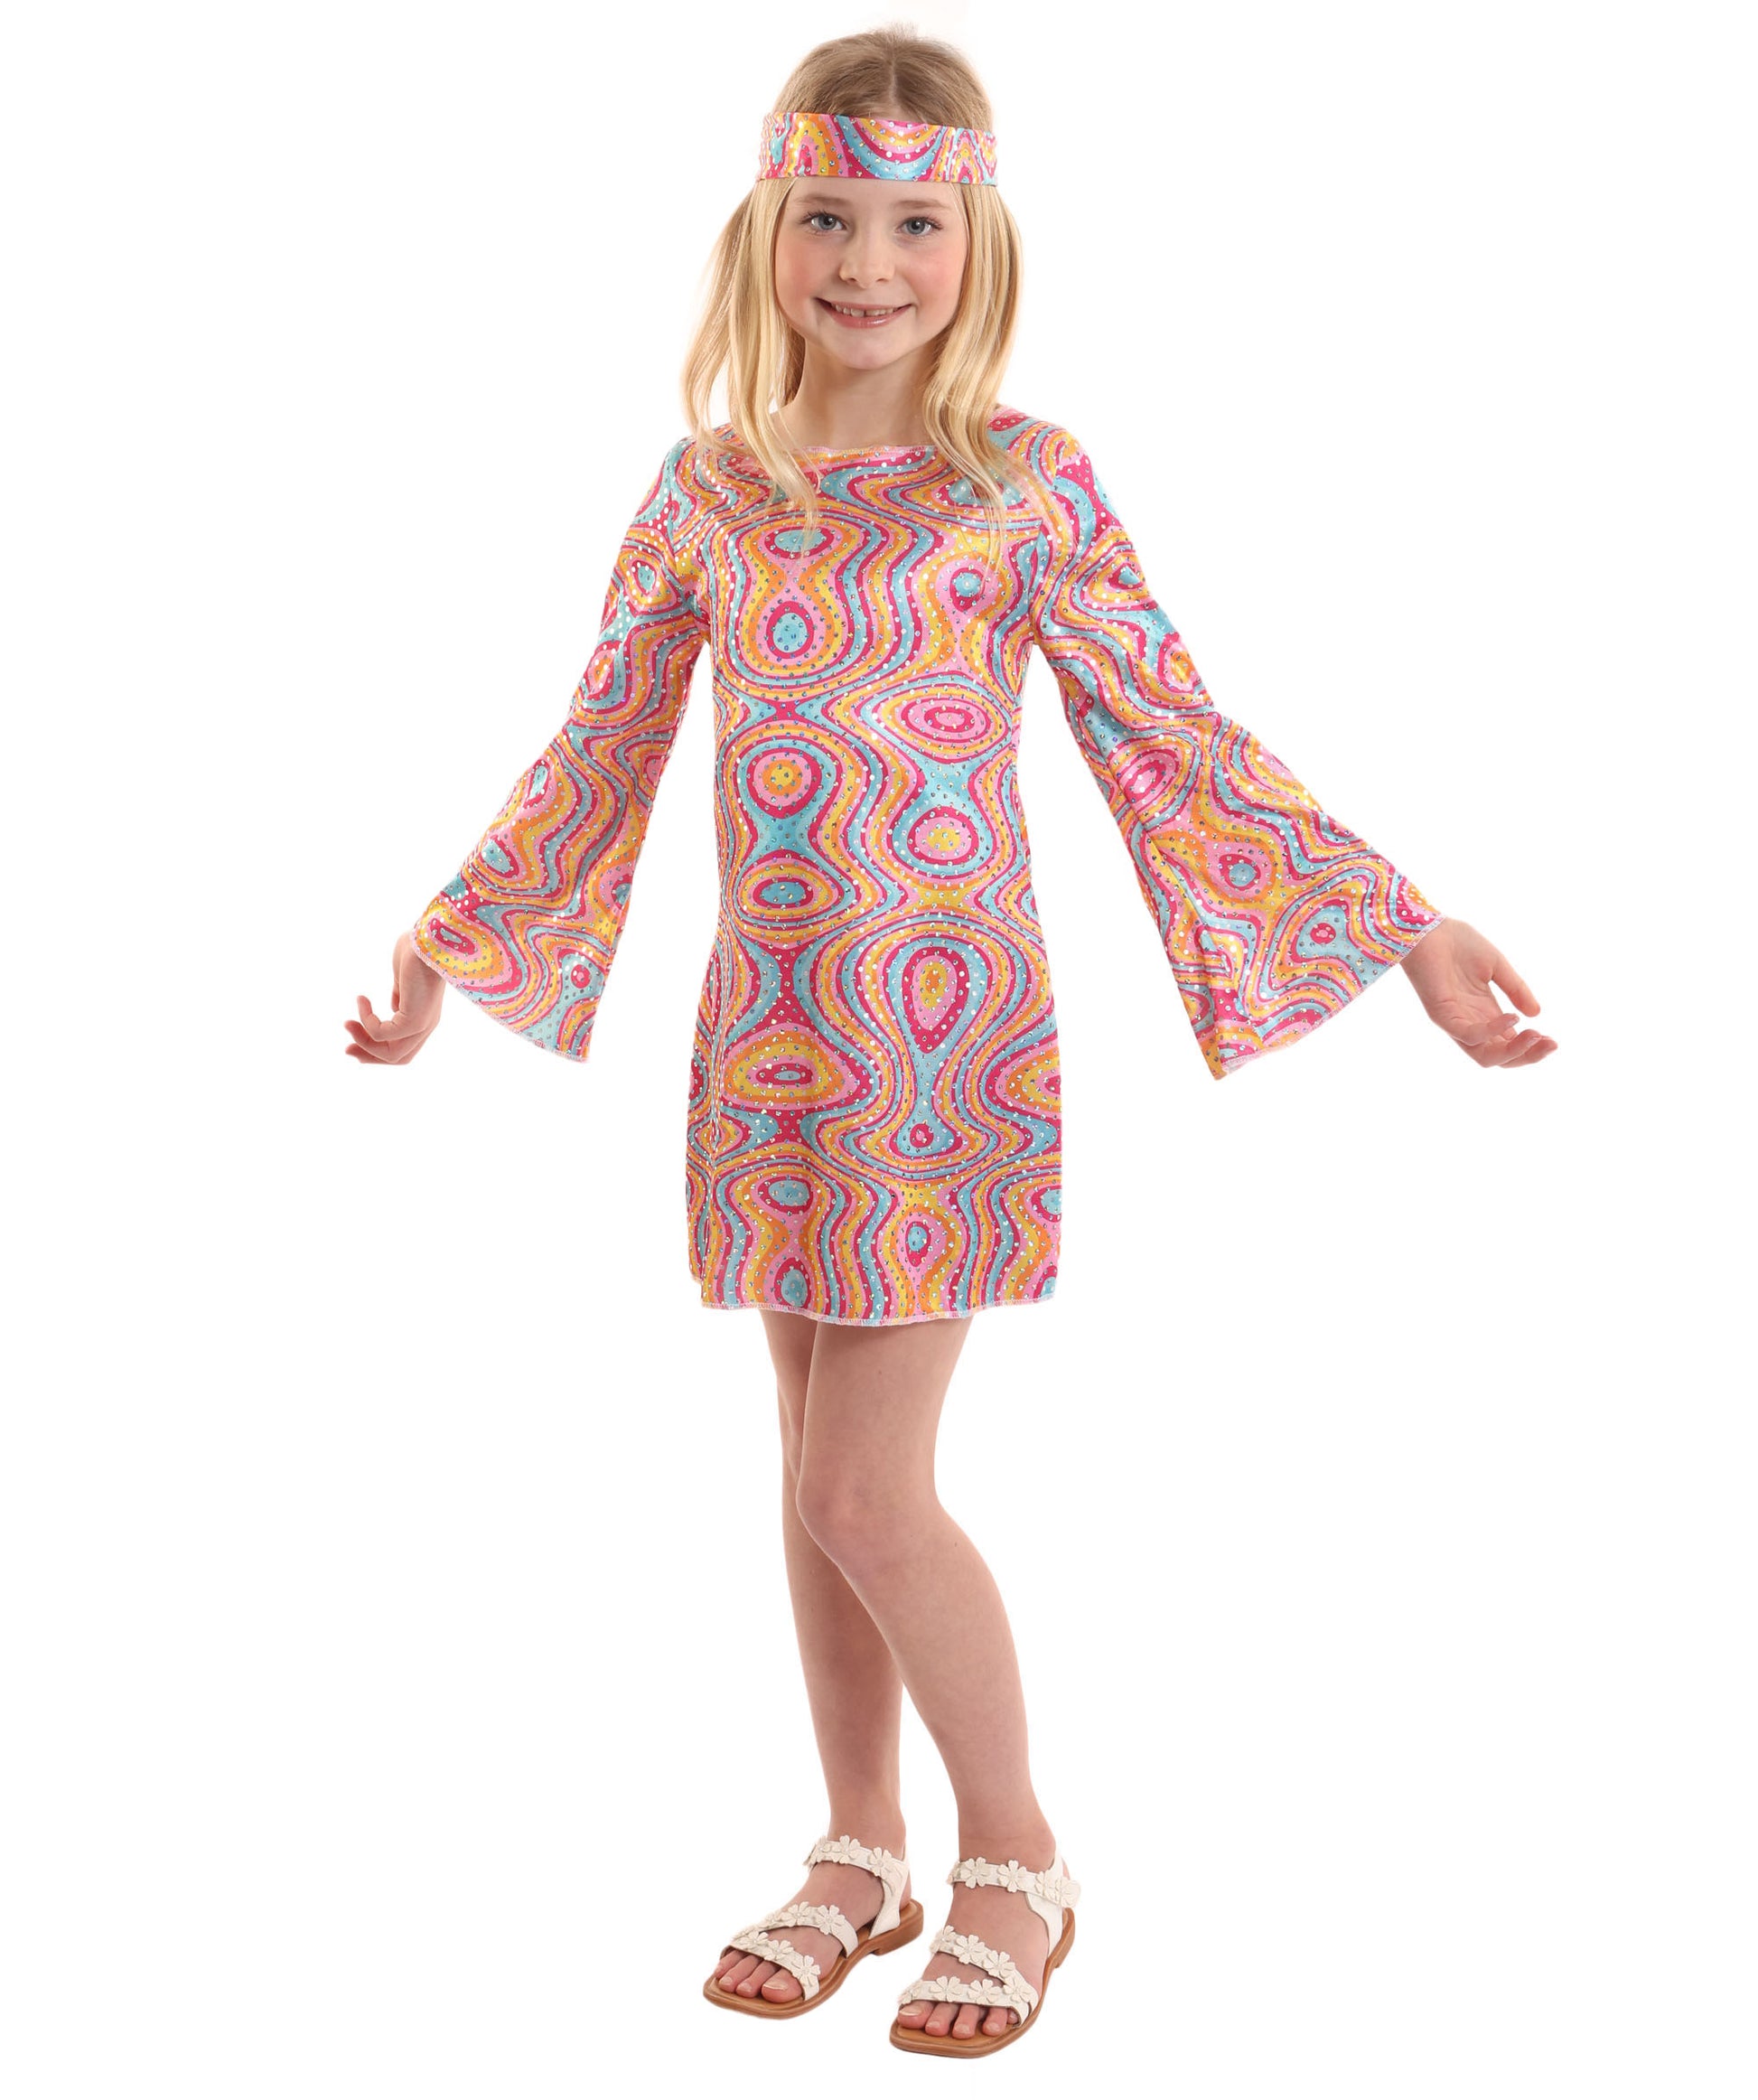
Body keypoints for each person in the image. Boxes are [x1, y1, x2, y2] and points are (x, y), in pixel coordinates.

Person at [344, 27, 1557, 2060]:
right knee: (807, 1473)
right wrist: (448, 943)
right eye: (828, 215)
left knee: (862, 1486)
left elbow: (1169, 727)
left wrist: (1399, 922)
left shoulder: (1025, 482)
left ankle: (1019, 1855)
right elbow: (599, 748)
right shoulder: (709, 486)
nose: (868, 261)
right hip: (770, 1038)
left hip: (944, 1055)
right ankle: (858, 1843)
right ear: (764, 226)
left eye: (914, 221)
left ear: (975, 238)